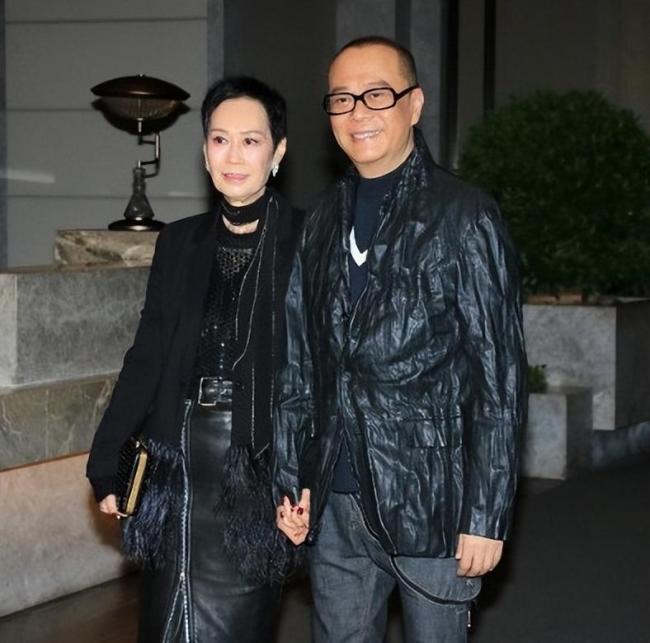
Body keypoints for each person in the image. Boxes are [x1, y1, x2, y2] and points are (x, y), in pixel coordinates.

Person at [274, 36, 527, 642]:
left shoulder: (465, 214)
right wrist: (292, 478)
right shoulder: (320, 219)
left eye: (377, 95)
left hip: (432, 501)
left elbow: (498, 376)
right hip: (334, 501)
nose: (358, 112)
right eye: (342, 99)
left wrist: (486, 513)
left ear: (414, 104)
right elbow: (300, 365)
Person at [86, 76, 303, 643]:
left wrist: (303, 483)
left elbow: (318, 377)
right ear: (205, 151)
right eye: (219, 140)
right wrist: (107, 458)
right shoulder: (179, 241)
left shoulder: (307, 240)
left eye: (251, 141)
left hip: (255, 466)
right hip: (176, 460)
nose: (234, 156)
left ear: (278, 152)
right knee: (164, 625)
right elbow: (147, 356)